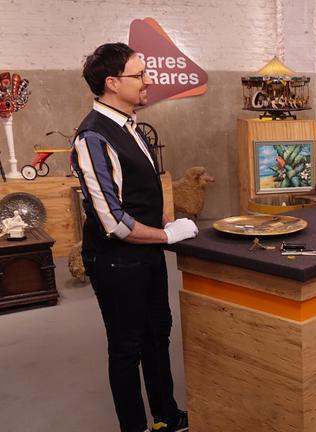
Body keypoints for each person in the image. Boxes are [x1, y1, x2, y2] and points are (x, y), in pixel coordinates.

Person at [71, 42, 197, 432]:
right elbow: (113, 221)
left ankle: (166, 415)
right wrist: (166, 235)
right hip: (116, 262)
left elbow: (139, 192)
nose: (148, 80)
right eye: (139, 74)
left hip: (146, 254)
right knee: (127, 347)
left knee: (157, 334)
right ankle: (134, 426)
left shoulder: (132, 125)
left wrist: (164, 221)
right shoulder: (92, 137)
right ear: (112, 83)